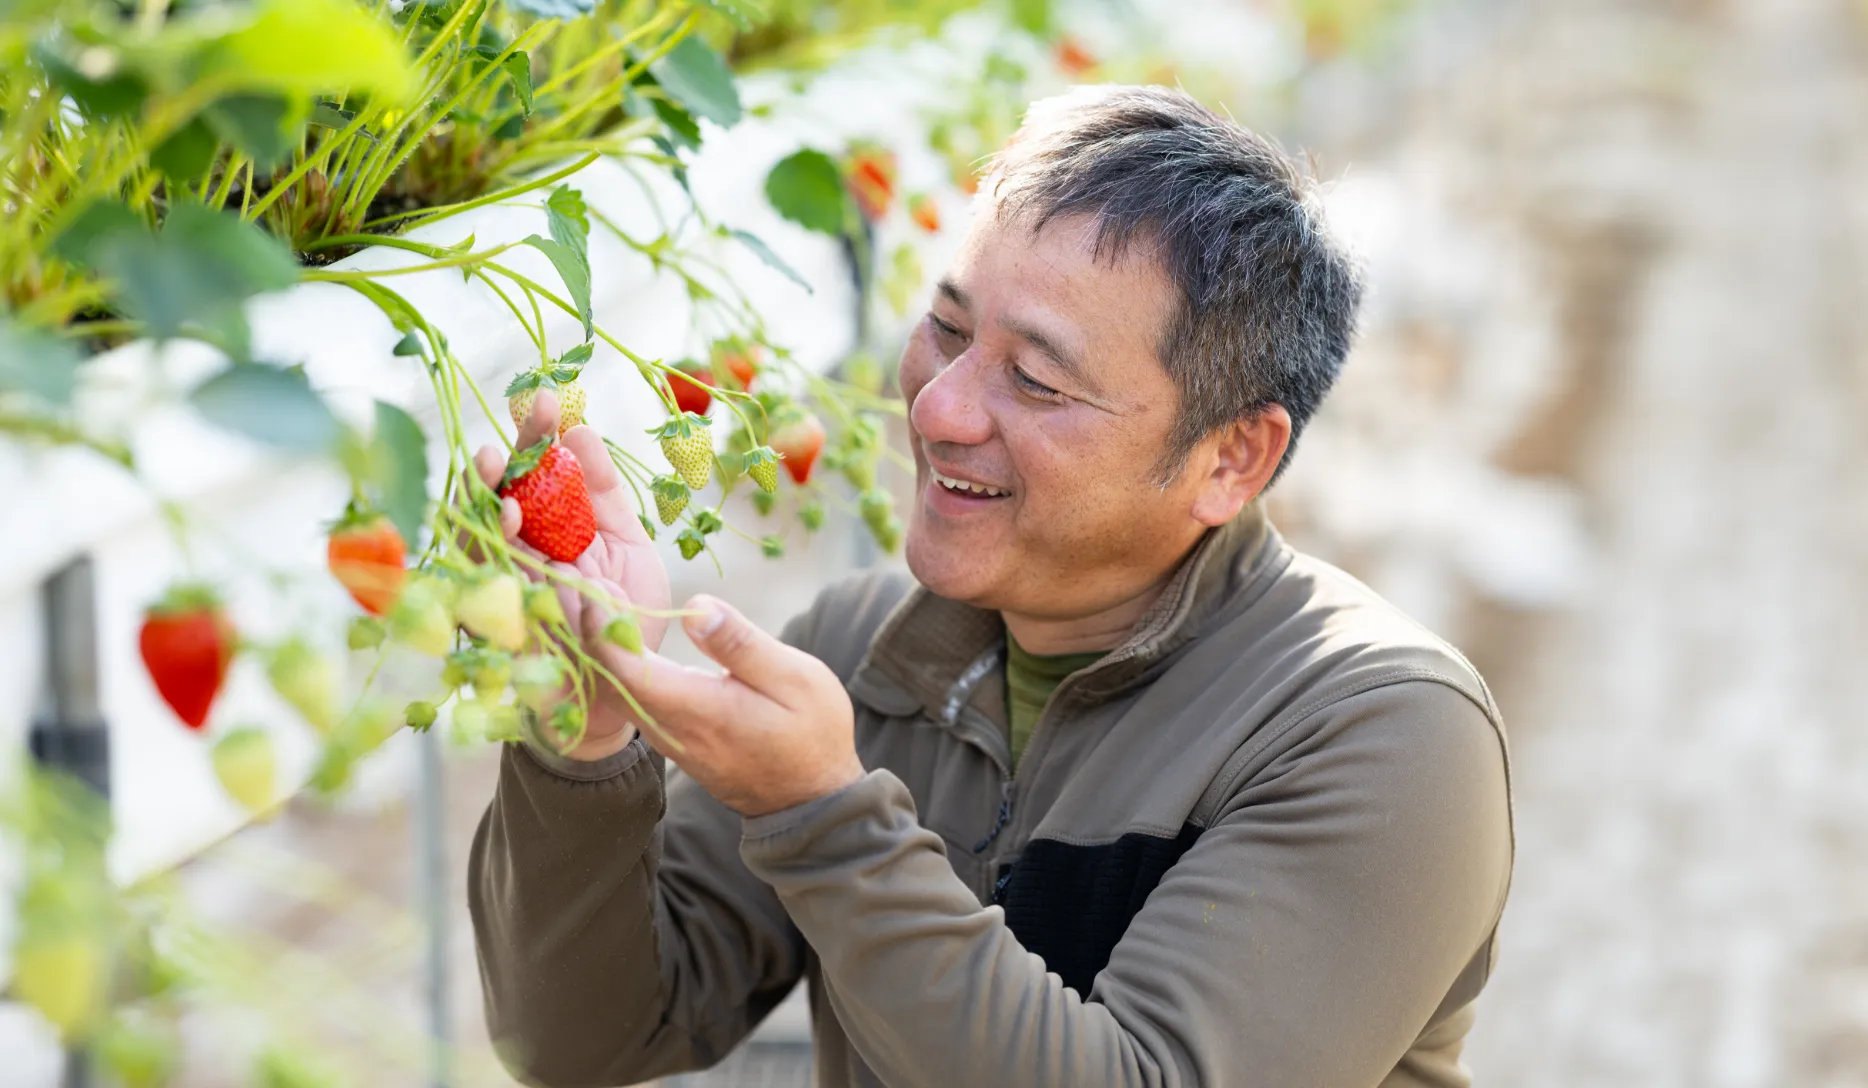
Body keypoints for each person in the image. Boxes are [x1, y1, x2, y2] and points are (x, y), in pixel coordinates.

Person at [467, 84, 1513, 1088]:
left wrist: (823, 815)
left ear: (1232, 457)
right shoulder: (866, 658)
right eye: (950, 329)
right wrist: (588, 732)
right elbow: (585, 1035)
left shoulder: (1377, 728)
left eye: (1035, 379)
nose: (936, 408)